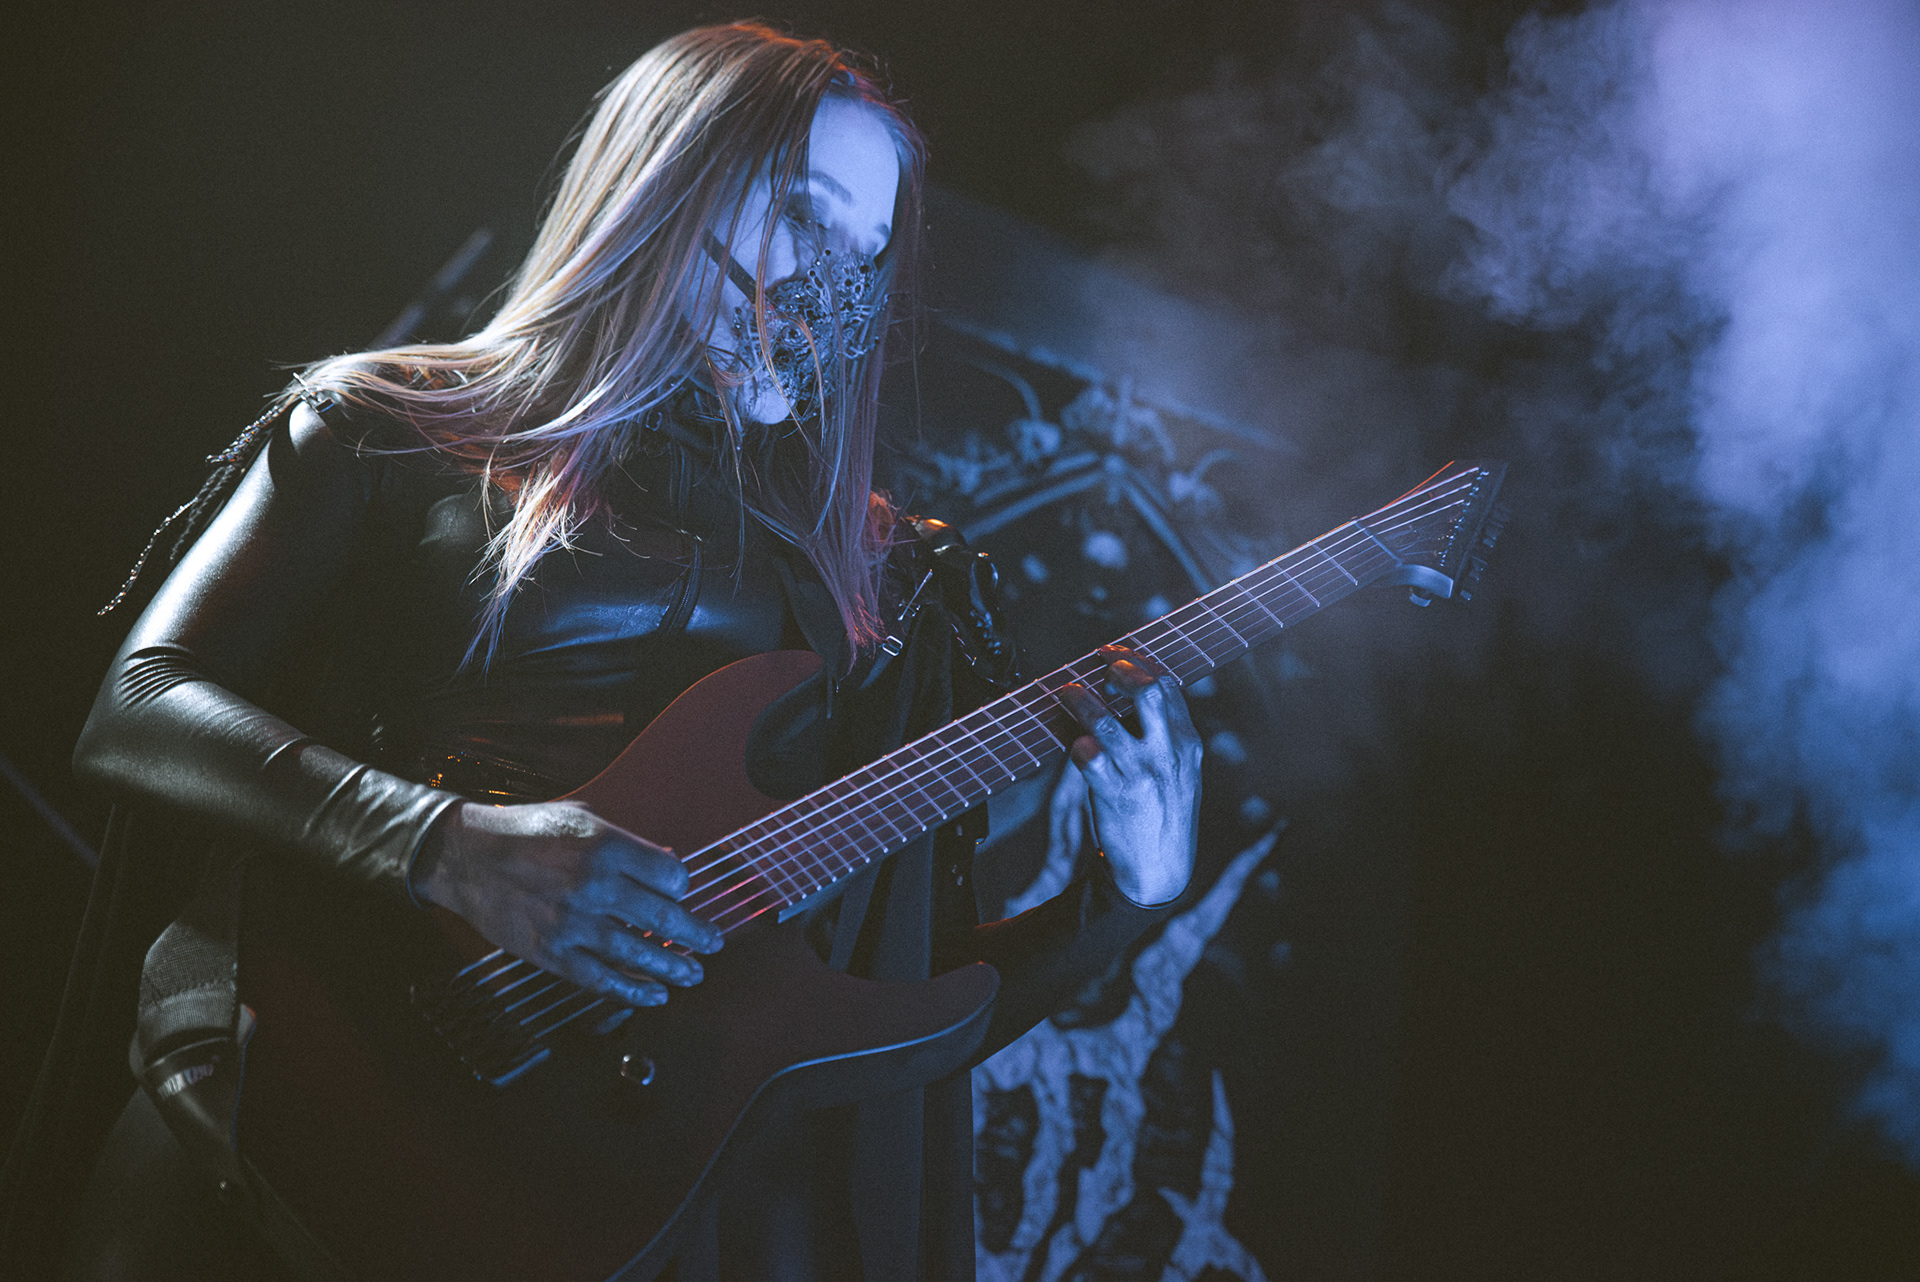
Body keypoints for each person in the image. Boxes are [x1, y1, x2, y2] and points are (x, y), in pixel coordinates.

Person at [37, 22, 1201, 1281]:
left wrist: (1126, 896)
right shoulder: (391, 426)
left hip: (569, 1217)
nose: (836, 289)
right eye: (805, 215)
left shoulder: (873, 596)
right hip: (278, 1124)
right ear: (671, 177)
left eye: (867, 253)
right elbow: (140, 703)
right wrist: (444, 846)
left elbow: (882, 1020)